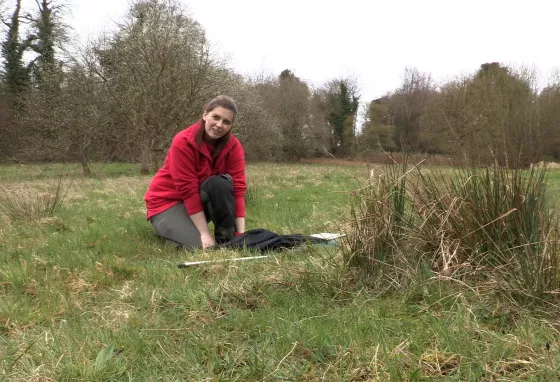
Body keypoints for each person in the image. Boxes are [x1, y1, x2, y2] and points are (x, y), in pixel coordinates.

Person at [144, 95, 246, 249]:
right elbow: (188, 190)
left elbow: (238, 190)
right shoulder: (183, 141)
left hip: (195, 201)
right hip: (166, 204)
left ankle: (227, 238)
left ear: (231, 126)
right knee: (199, 246)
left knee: (219, 183)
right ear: (205, 115)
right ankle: (168, 229)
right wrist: (204, 234)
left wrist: (241, 235)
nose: (219, 125)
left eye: (226, 122)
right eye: (215, 117)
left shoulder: (234, 146)